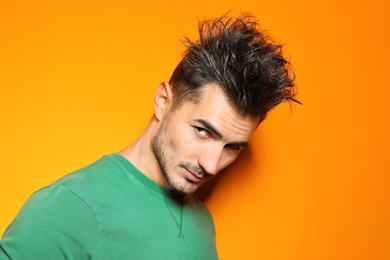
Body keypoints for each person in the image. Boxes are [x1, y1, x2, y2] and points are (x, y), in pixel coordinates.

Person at [0, 13, 299, 259]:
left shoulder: (202, 220)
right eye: (202, 131)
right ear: (163, 101)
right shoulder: (67, 208)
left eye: (232, 147)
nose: (210, 164)